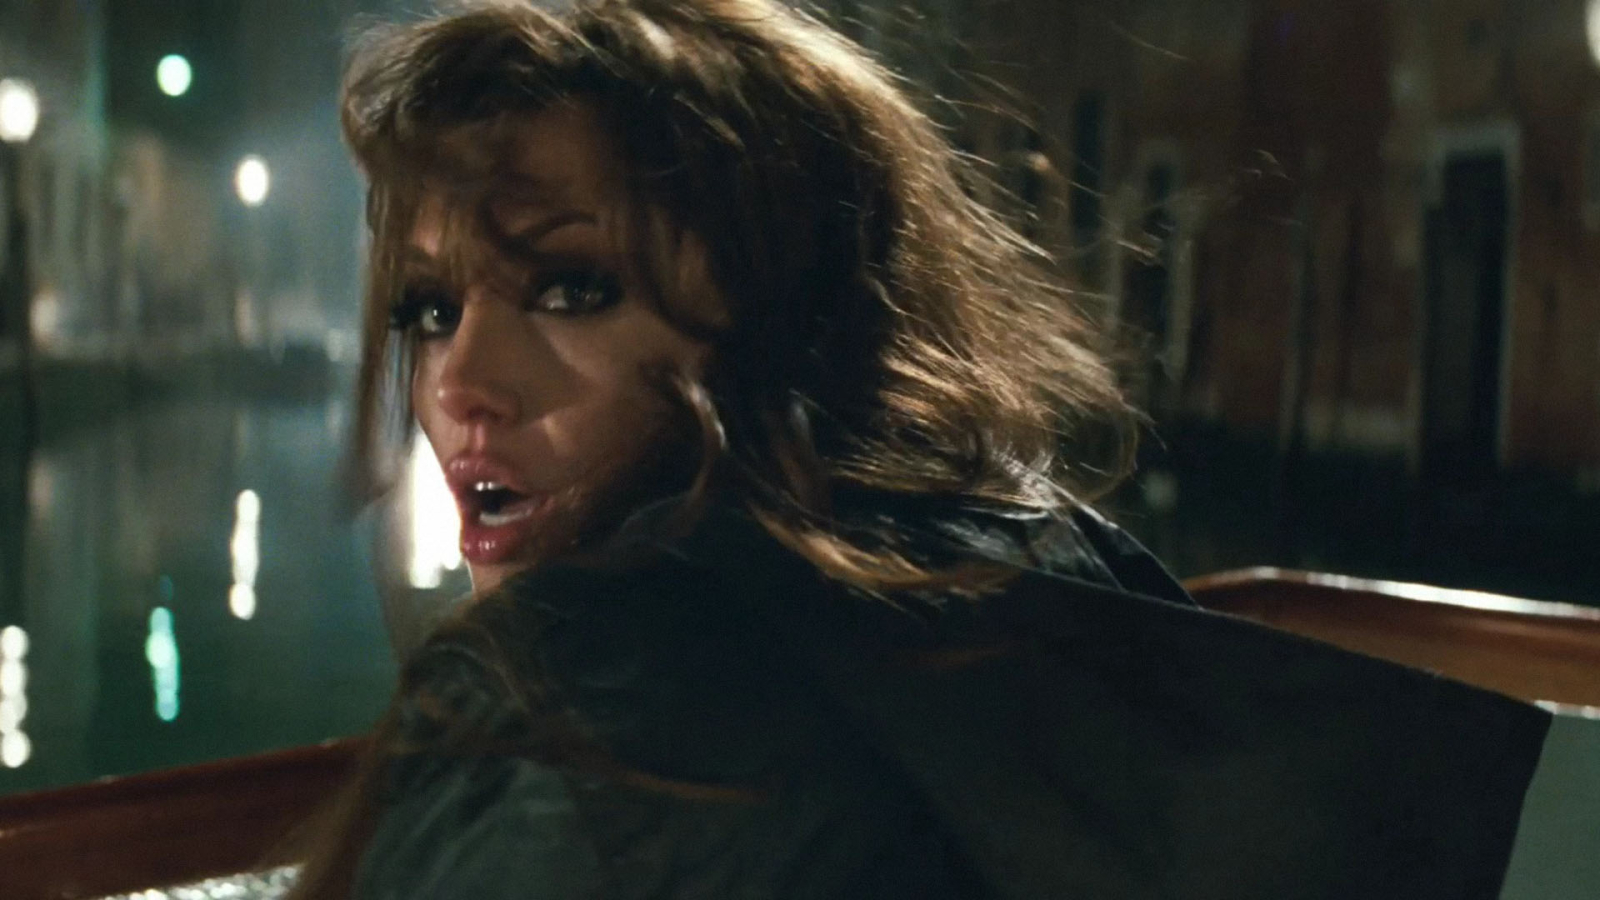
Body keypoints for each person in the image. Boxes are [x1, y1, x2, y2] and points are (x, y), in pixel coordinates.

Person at [287, 1, 1549, 897]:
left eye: (572, 289)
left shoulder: (560, 705)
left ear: (788, 325)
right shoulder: (1065, 567)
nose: (459, 384)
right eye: (428, 307)